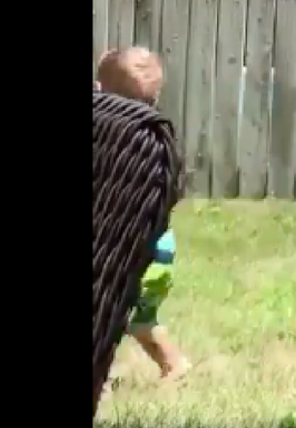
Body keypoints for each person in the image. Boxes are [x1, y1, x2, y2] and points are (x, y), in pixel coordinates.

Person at [96, 48, 191, 385]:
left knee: (121, 315)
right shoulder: (153, 139)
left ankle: (174, 364)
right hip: (158, 248)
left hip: (139, 255)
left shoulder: (111, 138)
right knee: (138, 320)